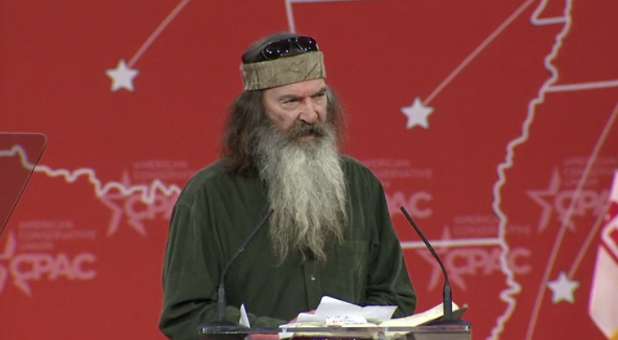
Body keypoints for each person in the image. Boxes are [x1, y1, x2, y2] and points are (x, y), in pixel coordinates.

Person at [159, 32, 416, 339]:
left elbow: (396, 297)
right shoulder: (209, 196)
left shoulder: (360, 185)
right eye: (291, 101)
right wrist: (278, 334)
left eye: (319, 96)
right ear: (255, 113)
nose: (311, 114)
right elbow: (186, 314)